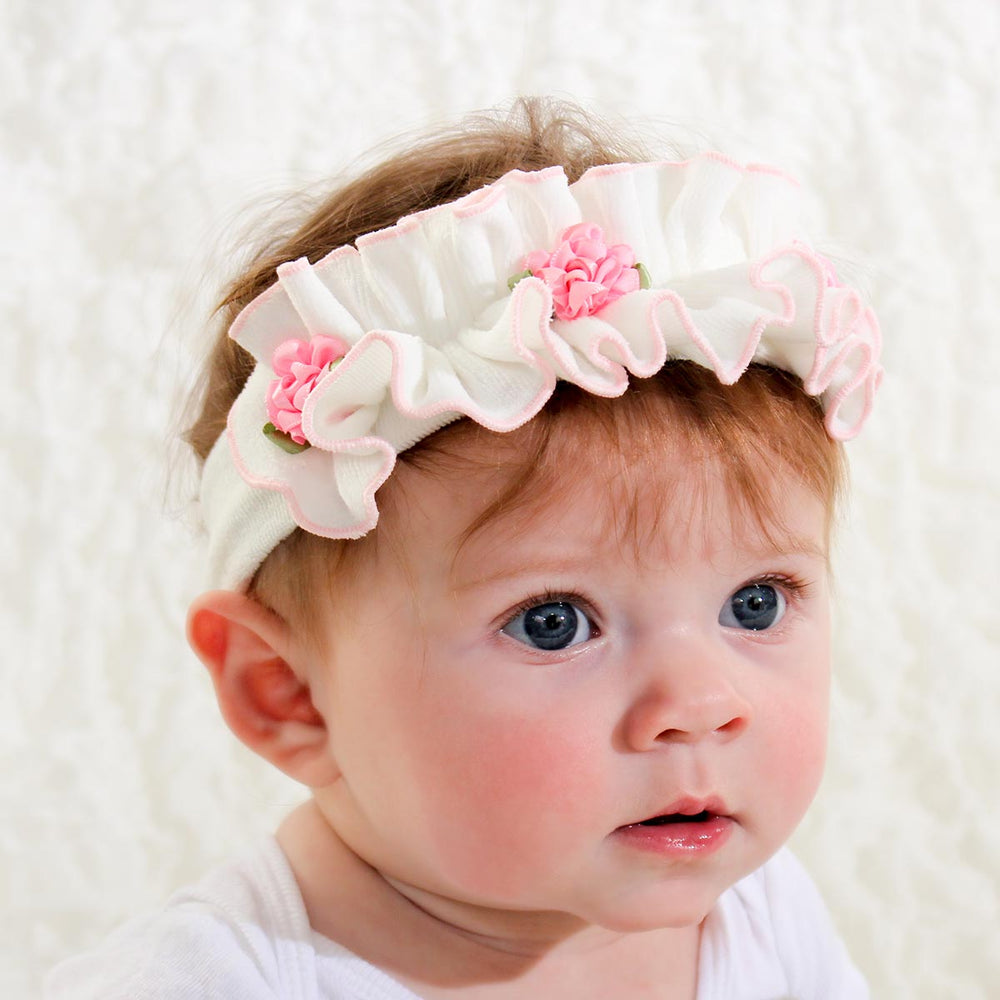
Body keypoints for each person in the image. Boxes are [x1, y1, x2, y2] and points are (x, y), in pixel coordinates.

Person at [45, 98, 881, 999]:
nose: (702, 706)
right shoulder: (208, 982)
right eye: (554, 623)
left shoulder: (766, 923)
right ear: (288, 693)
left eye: (756, 603)